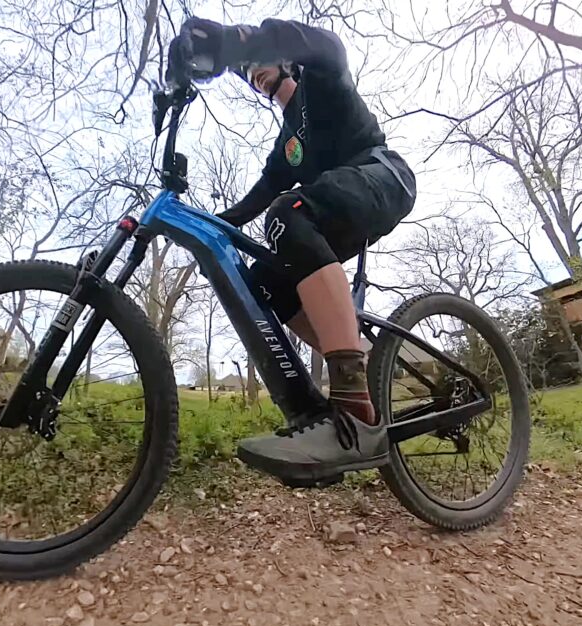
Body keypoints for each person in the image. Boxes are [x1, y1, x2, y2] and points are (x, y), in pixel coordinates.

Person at [166, 17, 416, 478]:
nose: (253, 74)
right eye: (247, 73)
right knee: (263, 279)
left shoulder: (320, 83)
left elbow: (328, 47)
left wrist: (239, 41)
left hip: (383, 177)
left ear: (286, 62)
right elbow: (254, 200)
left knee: (288, 212)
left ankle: (354, 407)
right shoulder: (288, 144)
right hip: (336, 202)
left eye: (258, 64)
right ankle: (344, 382)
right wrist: (200, 224)